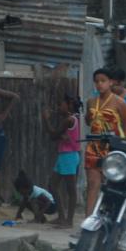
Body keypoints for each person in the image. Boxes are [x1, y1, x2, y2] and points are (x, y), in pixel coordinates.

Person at [84, 68, 126, 216]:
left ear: (110, 82)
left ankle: (106, 217)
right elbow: (88, 121)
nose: (99, 84)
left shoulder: (120, 103)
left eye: (103, 81)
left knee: (110, 186)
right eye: (97, 81)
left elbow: (125, 127)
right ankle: (88, 222)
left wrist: (125, 149)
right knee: (92, 184)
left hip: (113, 148)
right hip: (94, 146)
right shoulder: (91, 101)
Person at [43, 94, 82, 227]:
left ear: (69, 105)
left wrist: (46, 120)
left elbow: (53, 135)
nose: (58, 107)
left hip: (68, 156)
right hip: (65, 155)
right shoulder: (72, 118)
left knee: (70, 189)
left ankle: (68, 220)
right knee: (53, 185)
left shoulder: (68, 120)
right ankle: (62, 217)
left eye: (61, 104)